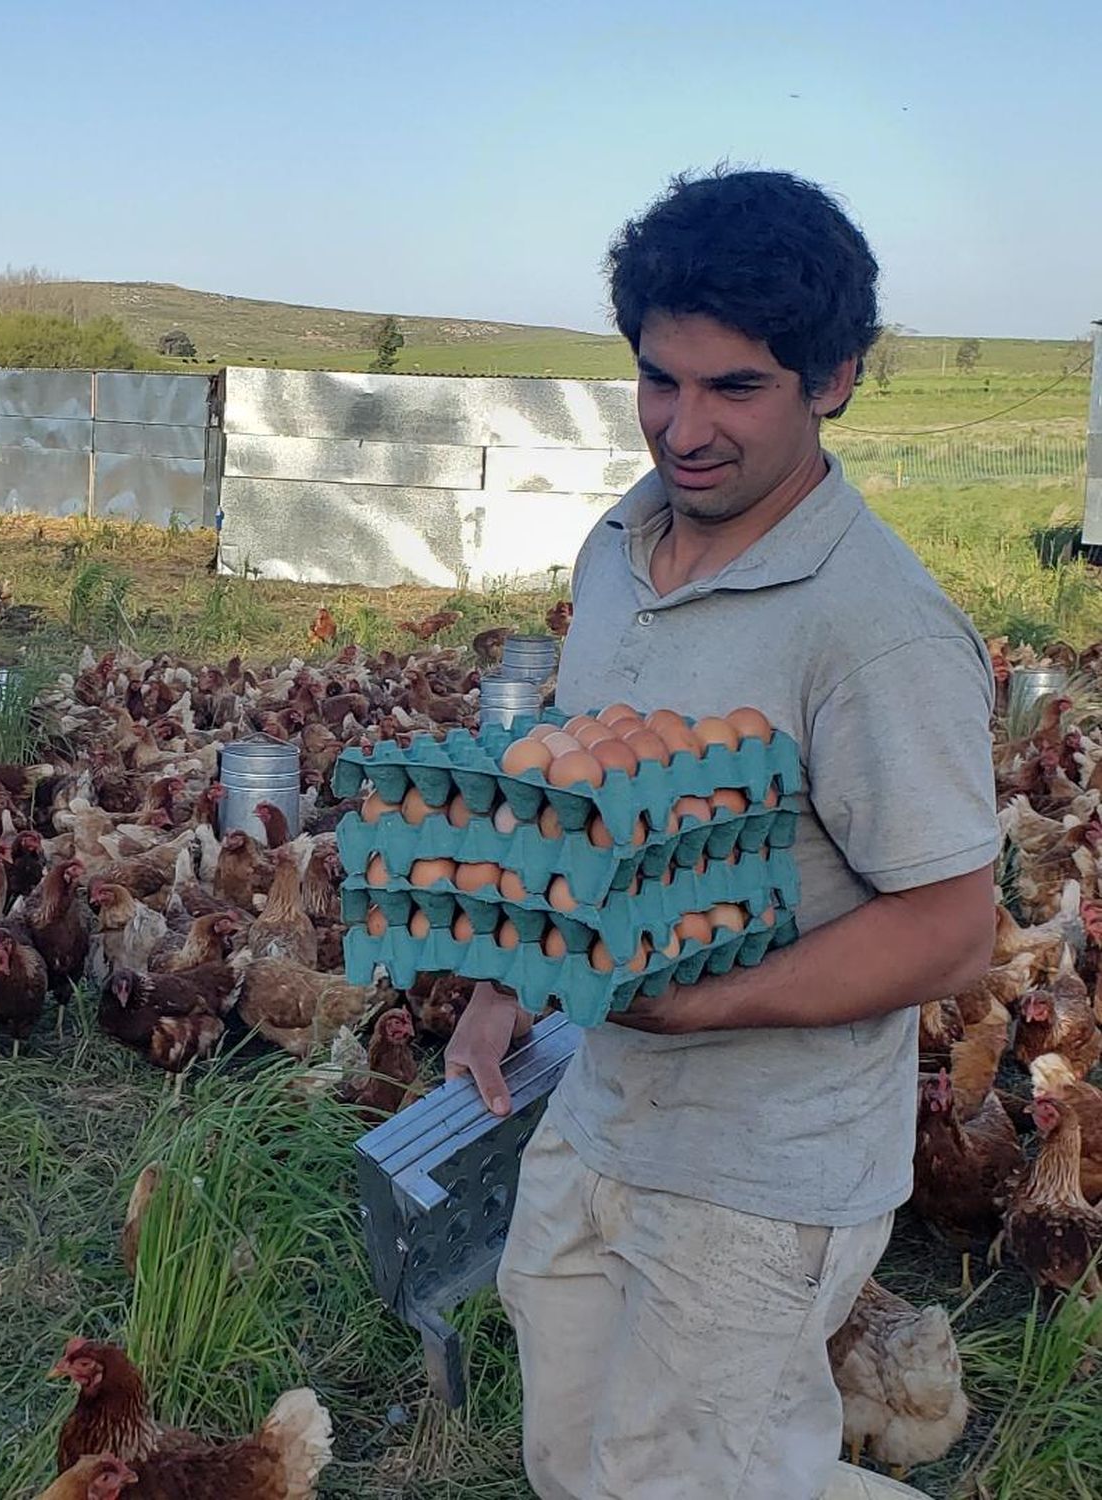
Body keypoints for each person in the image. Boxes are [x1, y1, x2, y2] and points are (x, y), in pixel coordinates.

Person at [445, 168, 999, 1500]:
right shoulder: (618, 551)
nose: (683, 429)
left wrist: (709, 1007)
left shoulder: (875, 627)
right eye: (659, 380)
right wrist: (502, 988)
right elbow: (575, 807)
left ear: (833, 380)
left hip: (765, 1170)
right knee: (578, 1458)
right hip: (607, 1108)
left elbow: (953, 925)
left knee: (698, 1479)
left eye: (735, 388)